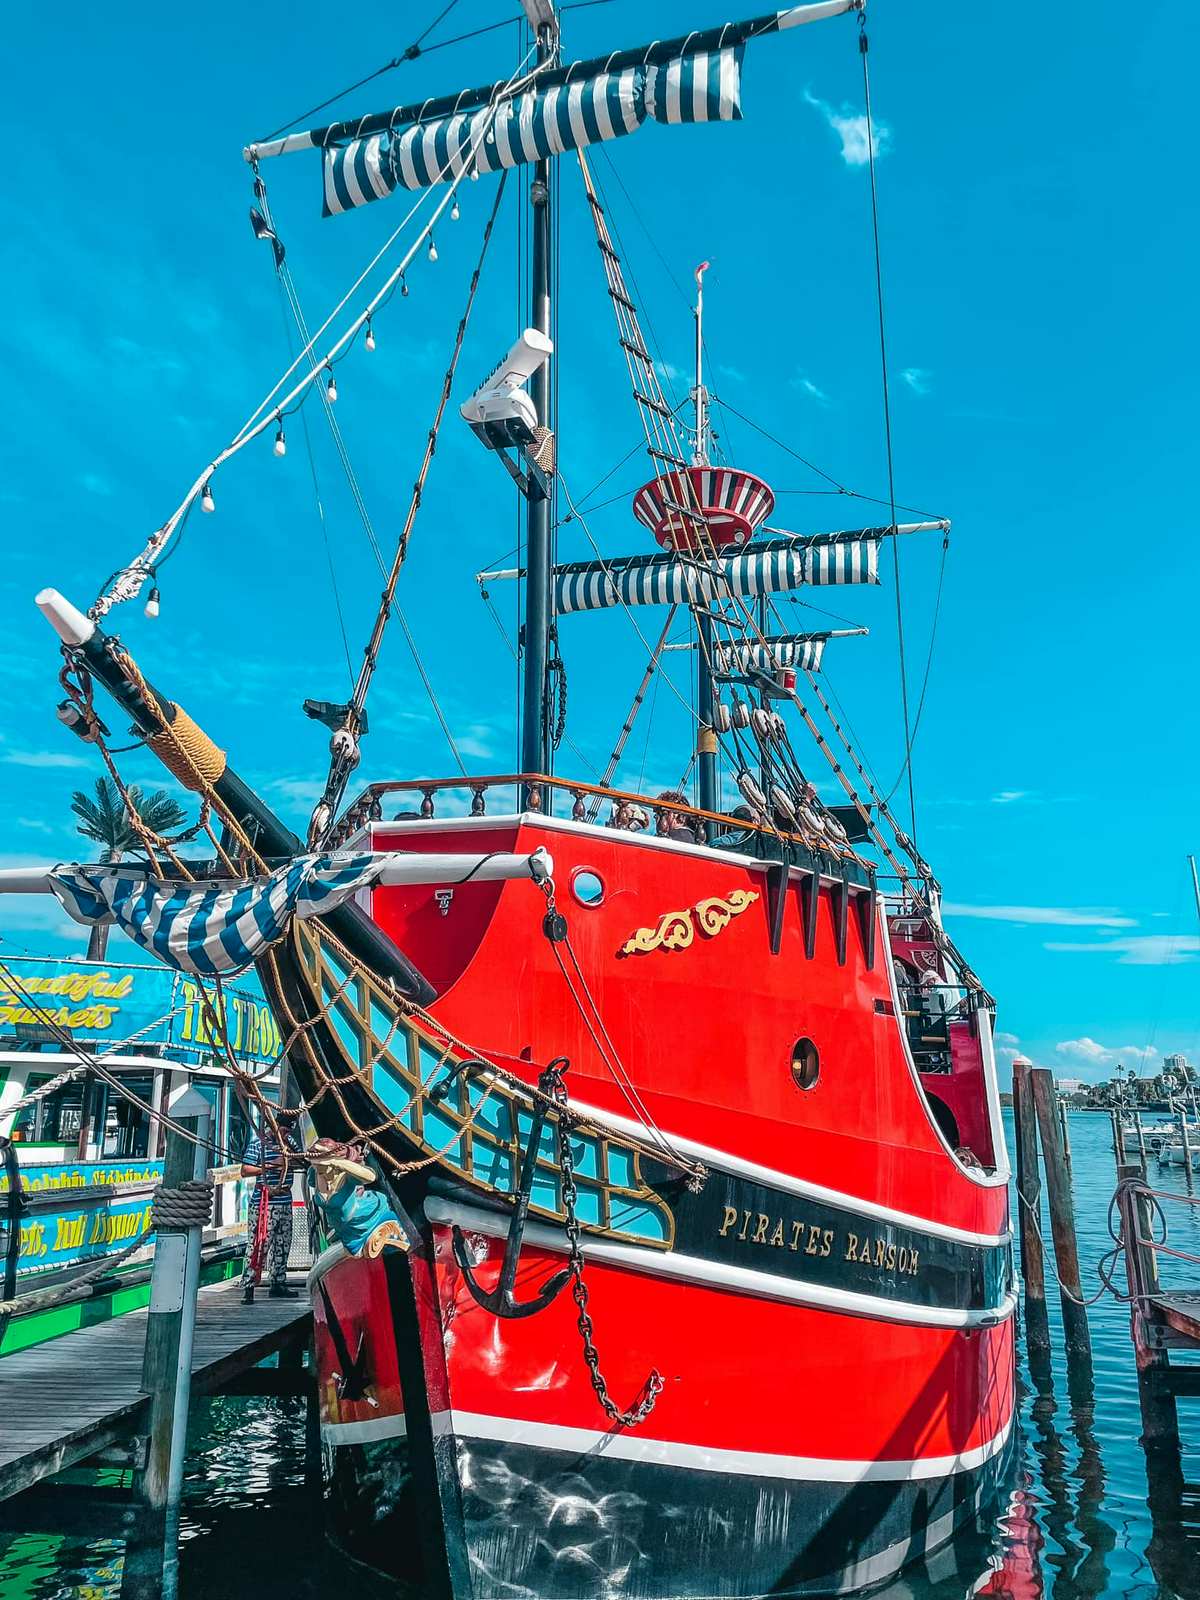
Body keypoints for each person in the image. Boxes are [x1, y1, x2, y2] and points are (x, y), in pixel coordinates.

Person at [240, 1108, 303, 1303]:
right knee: (259, 1244)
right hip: (265, 1202)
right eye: (284, 1130)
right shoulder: (258, 1144)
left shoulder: (288, 1144)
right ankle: (249, 1286)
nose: (287, 1134)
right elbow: (245, 1170)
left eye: (289, 1132)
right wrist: (274, 1165)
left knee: (283, 1243)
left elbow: (302, 1160)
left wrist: (290, 1154)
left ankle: (278, 1282)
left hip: (284, 1200)